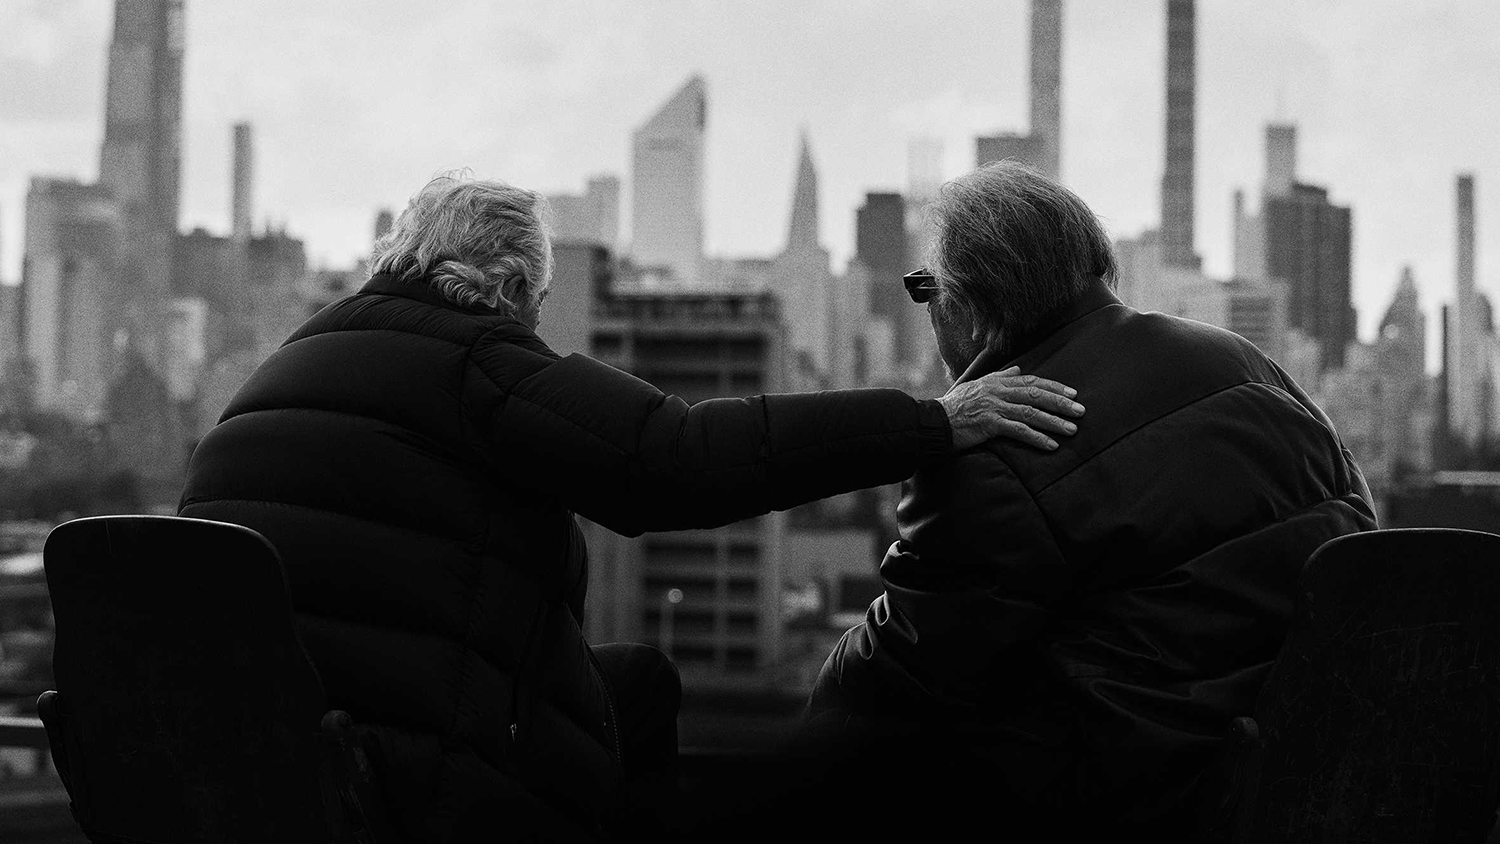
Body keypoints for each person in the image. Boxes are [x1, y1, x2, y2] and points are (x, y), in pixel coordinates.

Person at [176, 172, 1086, 843]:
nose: (531, 331)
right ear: (505, 290)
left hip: (245, 778)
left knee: (621, 683)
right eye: (534, 308)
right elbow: (676, 459)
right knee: (642, 686)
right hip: (412, 787)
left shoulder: (268, 380)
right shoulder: (476, 363)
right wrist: (932, 423)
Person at [802, 161, 1378, 837]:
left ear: (970, 305)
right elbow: (1359, 532)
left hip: (1143, 803)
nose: (927, 312)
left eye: (925, 288)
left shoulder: (996, 446)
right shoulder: (1248, 363)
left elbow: (887, 682)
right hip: (1312, 778)